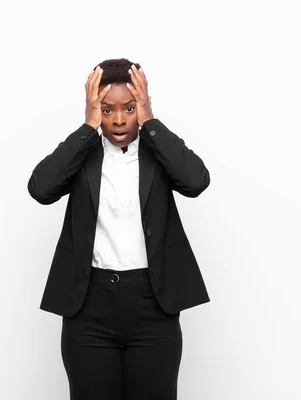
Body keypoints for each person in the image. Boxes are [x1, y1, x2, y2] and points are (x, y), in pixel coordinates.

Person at [27, 58, 210, 400]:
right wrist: (87, 126)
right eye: (108, 109)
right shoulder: (85, 152)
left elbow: (196, 181)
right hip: (90, 309)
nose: (120, 119)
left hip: (152, 307)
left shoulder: (157, 151)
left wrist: (151, 119)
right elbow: (40, 188)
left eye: (129, 107)